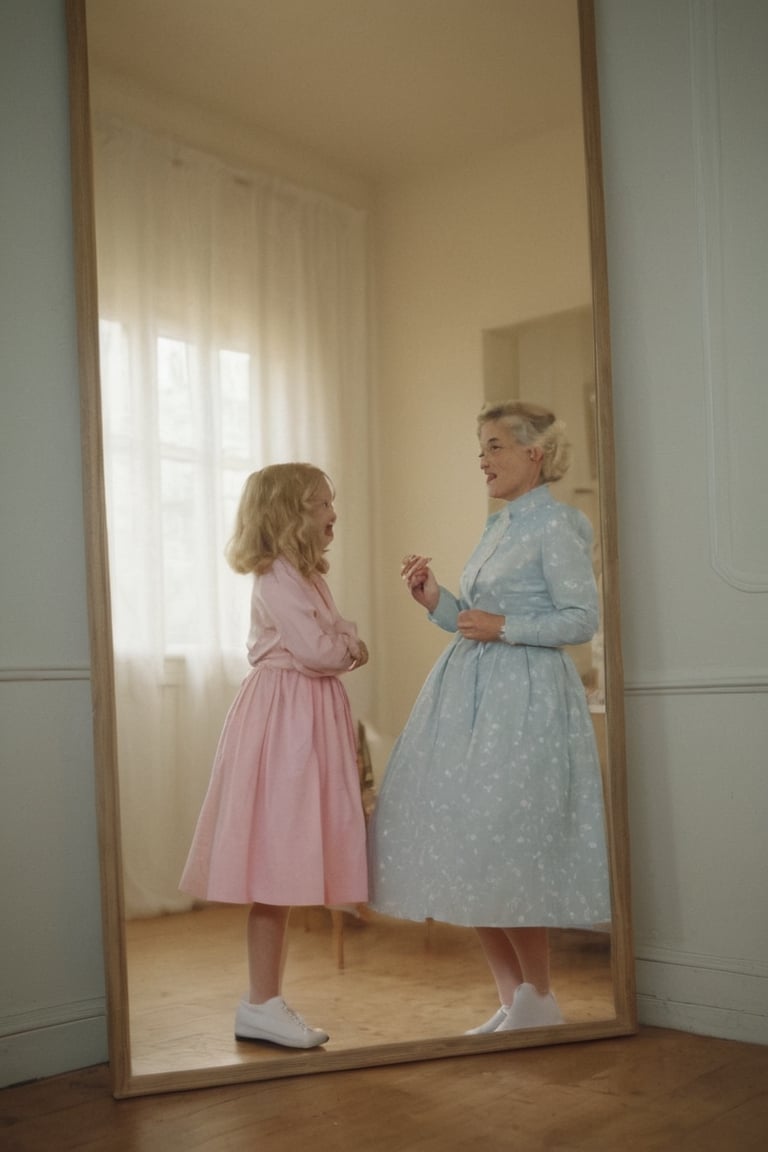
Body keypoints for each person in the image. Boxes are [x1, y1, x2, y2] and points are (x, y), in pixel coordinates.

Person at [368, 400, 610, 1034]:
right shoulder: (498, 526)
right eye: (480, 448)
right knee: (466, 845)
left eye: (495, 445)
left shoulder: (557, 525)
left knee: (506, 849)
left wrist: (506, 627)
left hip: (524, 701)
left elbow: (582, 619)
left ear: (535, 453)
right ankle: (517, 1003)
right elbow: (469, 621)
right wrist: (436, 600)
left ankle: (540, 996)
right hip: (470, 696)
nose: (484, 459)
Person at [180, 463, 369, 1049]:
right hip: (285, 721)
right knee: (275, 858)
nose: (332, 513)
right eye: (320, 504)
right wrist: (349, 645)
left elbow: (332, 638)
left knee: (285, 860)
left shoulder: (307, 577)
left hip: (304, 717)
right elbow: (324, 646)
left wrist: (343, 642)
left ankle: (262, 1002)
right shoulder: (278, 578)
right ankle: (261, 1000)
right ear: (289, 516)